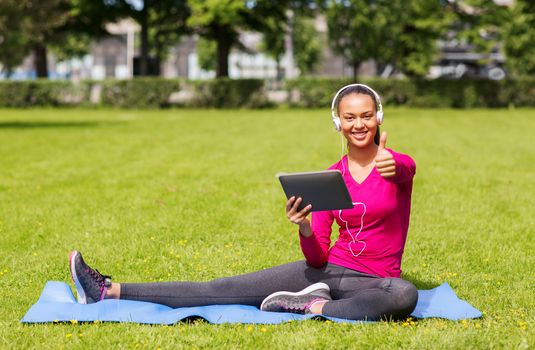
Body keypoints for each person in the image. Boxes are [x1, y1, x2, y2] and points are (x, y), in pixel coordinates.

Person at [69, 84, 418, 321]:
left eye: (366, 115)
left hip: (375, 280)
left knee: (404, 294)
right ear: (337, 123)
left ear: (379, 118)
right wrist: (306, 228)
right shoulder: (331, 176)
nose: (359, 124)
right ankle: (107, 290)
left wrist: (393, 165)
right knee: (220, 289)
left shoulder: (397, 165)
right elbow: (317, 257)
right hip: (327, 271)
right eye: (350, 117)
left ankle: (315, 306)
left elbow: (405, 169)